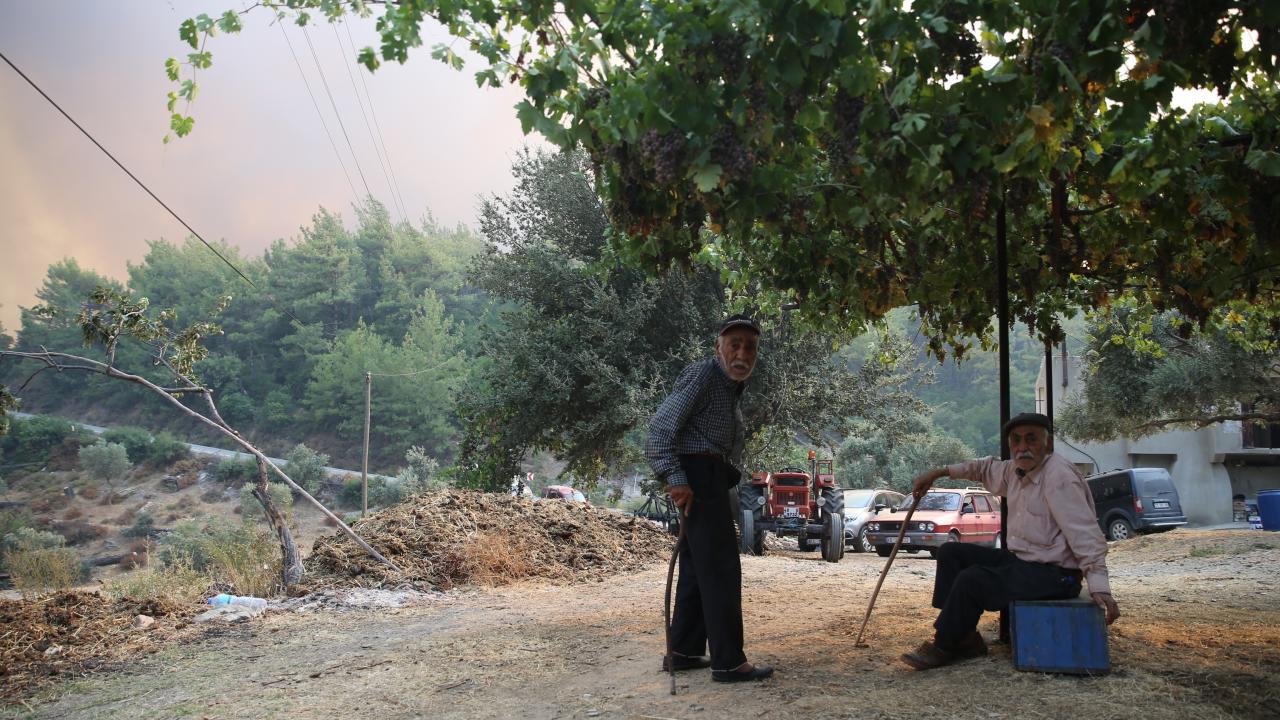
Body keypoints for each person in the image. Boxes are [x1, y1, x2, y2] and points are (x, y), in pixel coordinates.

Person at [901, 412, 1121, 670]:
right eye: (1016, 441)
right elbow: (982, 468)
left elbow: (1085, 532)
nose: (1022, 447)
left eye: (1031, 439)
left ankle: (944, 644)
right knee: (951, 553)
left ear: (1047, 444)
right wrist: (938, 473)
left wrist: (1099, 585)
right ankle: (965, 636)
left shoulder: (1059, 477)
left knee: (972, 579)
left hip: (1057, 575)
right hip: (1022, 561)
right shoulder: (1014, 470)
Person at [644, 314, 774, 683]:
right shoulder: (704, 375)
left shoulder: (728, 386)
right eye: (734, 343)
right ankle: (729, 662)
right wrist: (677, 478)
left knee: (698, 570)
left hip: (708, 477)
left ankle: (683, 651)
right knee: (720, 570)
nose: (742, 352)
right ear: (718, 348)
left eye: (750, 346)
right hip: (697, 477)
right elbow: (659, 431)